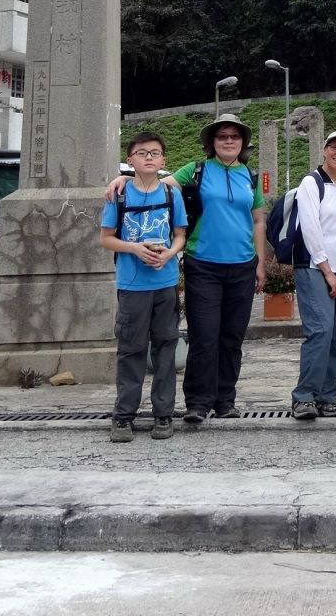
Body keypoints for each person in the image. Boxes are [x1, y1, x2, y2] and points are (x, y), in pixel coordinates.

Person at [111, 115, 268, 425]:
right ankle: (198, 401)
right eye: (222, 136)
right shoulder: (196, 170)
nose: (228, 141)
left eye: (234, 136)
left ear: (243, 143)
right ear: (211, 142)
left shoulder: (250, 176)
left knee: (232, 337)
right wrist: (125, 180)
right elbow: (154, 185)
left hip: (242, 265)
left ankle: (225, 400)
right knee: (204, 336)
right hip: (203, 264)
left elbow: (259, 220)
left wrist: (261, 263)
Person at [99, 130, 187, 442]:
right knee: (131, 350)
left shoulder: (171, 195)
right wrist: (135, 249)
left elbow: (180, 235)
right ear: (130, 160)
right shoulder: (119, 195)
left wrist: (170, 254)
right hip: (132, 285)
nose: (148, 158)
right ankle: (123, 416)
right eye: (141, 153)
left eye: (154, 153)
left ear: (163, 160)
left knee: (165, 349)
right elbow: (105, 238)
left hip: (165, 283)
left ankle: (163, 414)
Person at [292, 130, 336, 420]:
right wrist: (329, 273)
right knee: (320, 332)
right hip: (313, 267)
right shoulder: (311, 182)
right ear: (324, 149)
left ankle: (327, 397)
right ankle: (303, 397)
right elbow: (310, 229)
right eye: (335, 147)